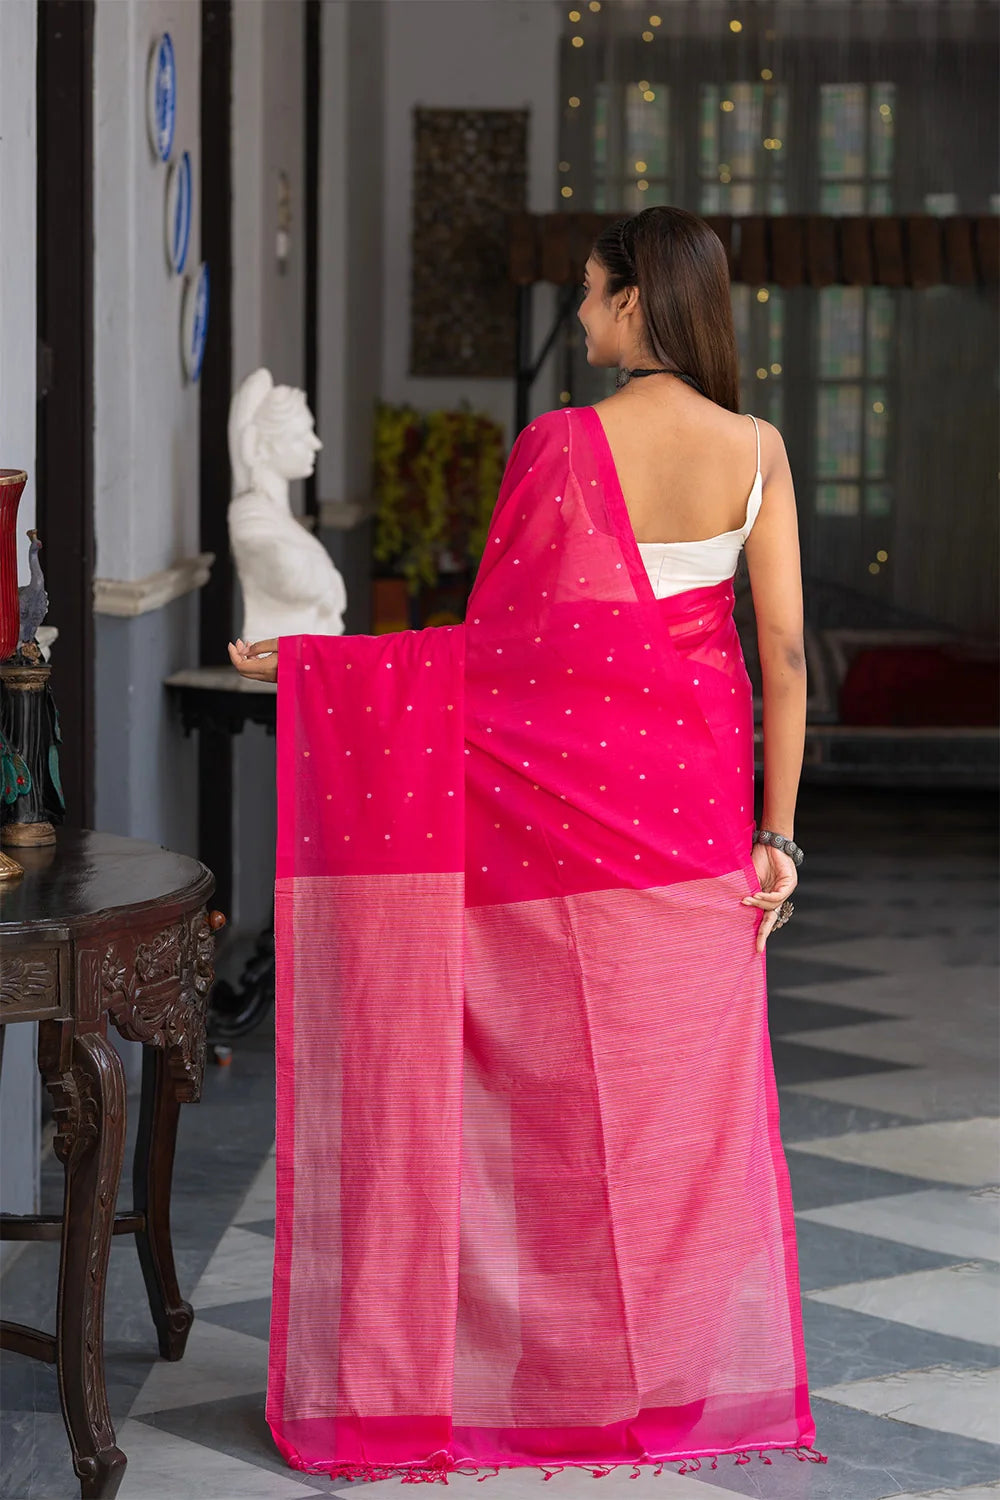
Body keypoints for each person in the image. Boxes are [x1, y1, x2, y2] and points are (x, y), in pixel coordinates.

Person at [230, 206, 822, 1485]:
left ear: (634, 303)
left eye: (593, 291)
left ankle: (533, 1374)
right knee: (672, 1115)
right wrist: (775, 834)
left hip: (560, 835)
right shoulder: (758, 448)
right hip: (694, 826)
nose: (584, 311)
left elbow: (510, 661)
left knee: (546, 1103)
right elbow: (781, 656)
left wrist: (330, 669)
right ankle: (655, 1377)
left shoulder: (562, 445)